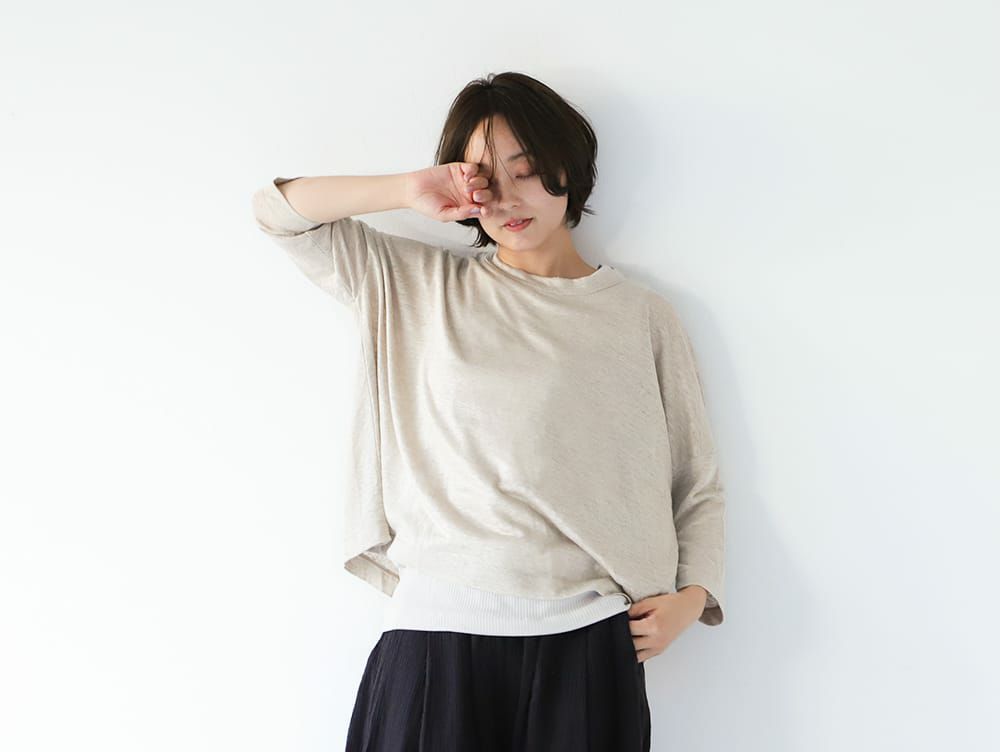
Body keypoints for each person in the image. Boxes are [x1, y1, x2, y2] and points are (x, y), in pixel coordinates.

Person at [250, 71, 726, 752]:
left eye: (526, 171)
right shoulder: (418, 285)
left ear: (568, 168)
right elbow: (278, 212)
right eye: (483, 179)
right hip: (436, 639)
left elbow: (695, 479)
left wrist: (692, 597)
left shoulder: (641, 317)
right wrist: (408, 189)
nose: (506, 199)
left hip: (590, 646)